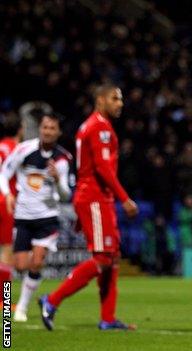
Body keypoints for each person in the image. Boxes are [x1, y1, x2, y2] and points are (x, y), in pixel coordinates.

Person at [39, 84, 139, 330]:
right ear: (100, 100)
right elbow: (103, 169)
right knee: (103, 258)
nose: (120, 103)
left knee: (112, 257)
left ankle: (107, 319)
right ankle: (51, 300)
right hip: (94, 197)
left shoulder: (90, 126)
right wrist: (124, 198)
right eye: (115, 98)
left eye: (121, 99)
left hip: (95, 198)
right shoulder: (100, 128)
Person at [0, 115, 71, 322]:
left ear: (58, 132)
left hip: (47, 217)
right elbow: (4, 173)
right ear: (40, 129)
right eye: (45, 127)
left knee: (37, 261)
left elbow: (66, 194)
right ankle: (16, 296)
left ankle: (20, 307)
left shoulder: (63, 159)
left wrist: (58, 181)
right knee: (20, 265)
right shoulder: (24, 149)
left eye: (52, 128)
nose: (48, 131)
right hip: (23, 215)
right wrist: (7, 194)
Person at [0, 117, 23, 285]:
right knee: (7, 251)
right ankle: (4, 300)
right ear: (20, 130)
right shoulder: (19, 150)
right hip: (8, 203)